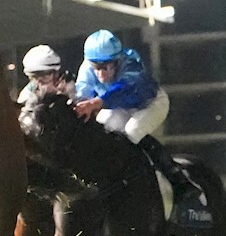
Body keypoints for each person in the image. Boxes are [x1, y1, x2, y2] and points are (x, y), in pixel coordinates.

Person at [74, 29, 204, 208]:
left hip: (150, 104)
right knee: (102, 130)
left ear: (117, 61)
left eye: (106, 67)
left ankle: (178, 177)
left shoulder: (130, 62)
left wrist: (95, 102)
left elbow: (125, 89)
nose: (101, 73)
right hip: (118, 107)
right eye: (96, 67)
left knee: (132, 132)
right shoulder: (87, 67)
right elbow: (81, 95)